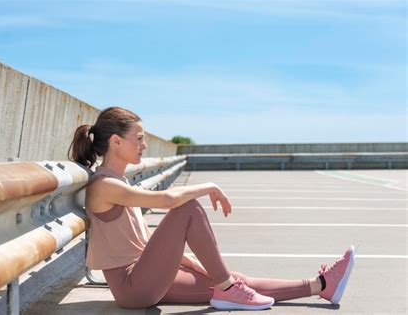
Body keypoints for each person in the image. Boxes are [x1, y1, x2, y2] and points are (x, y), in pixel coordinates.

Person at [68, 106, 355, 310]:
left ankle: (320, 285)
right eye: (139, 138)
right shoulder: (105, 185)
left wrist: (191, 262)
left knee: (233, 280)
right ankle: (228, 289)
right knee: (187, 209)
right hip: (133, 286)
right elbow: (169, 202)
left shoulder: (119, 180)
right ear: (117, 142)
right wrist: (210, 187)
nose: (144, 145)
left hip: (145, 274)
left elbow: (142, 242)